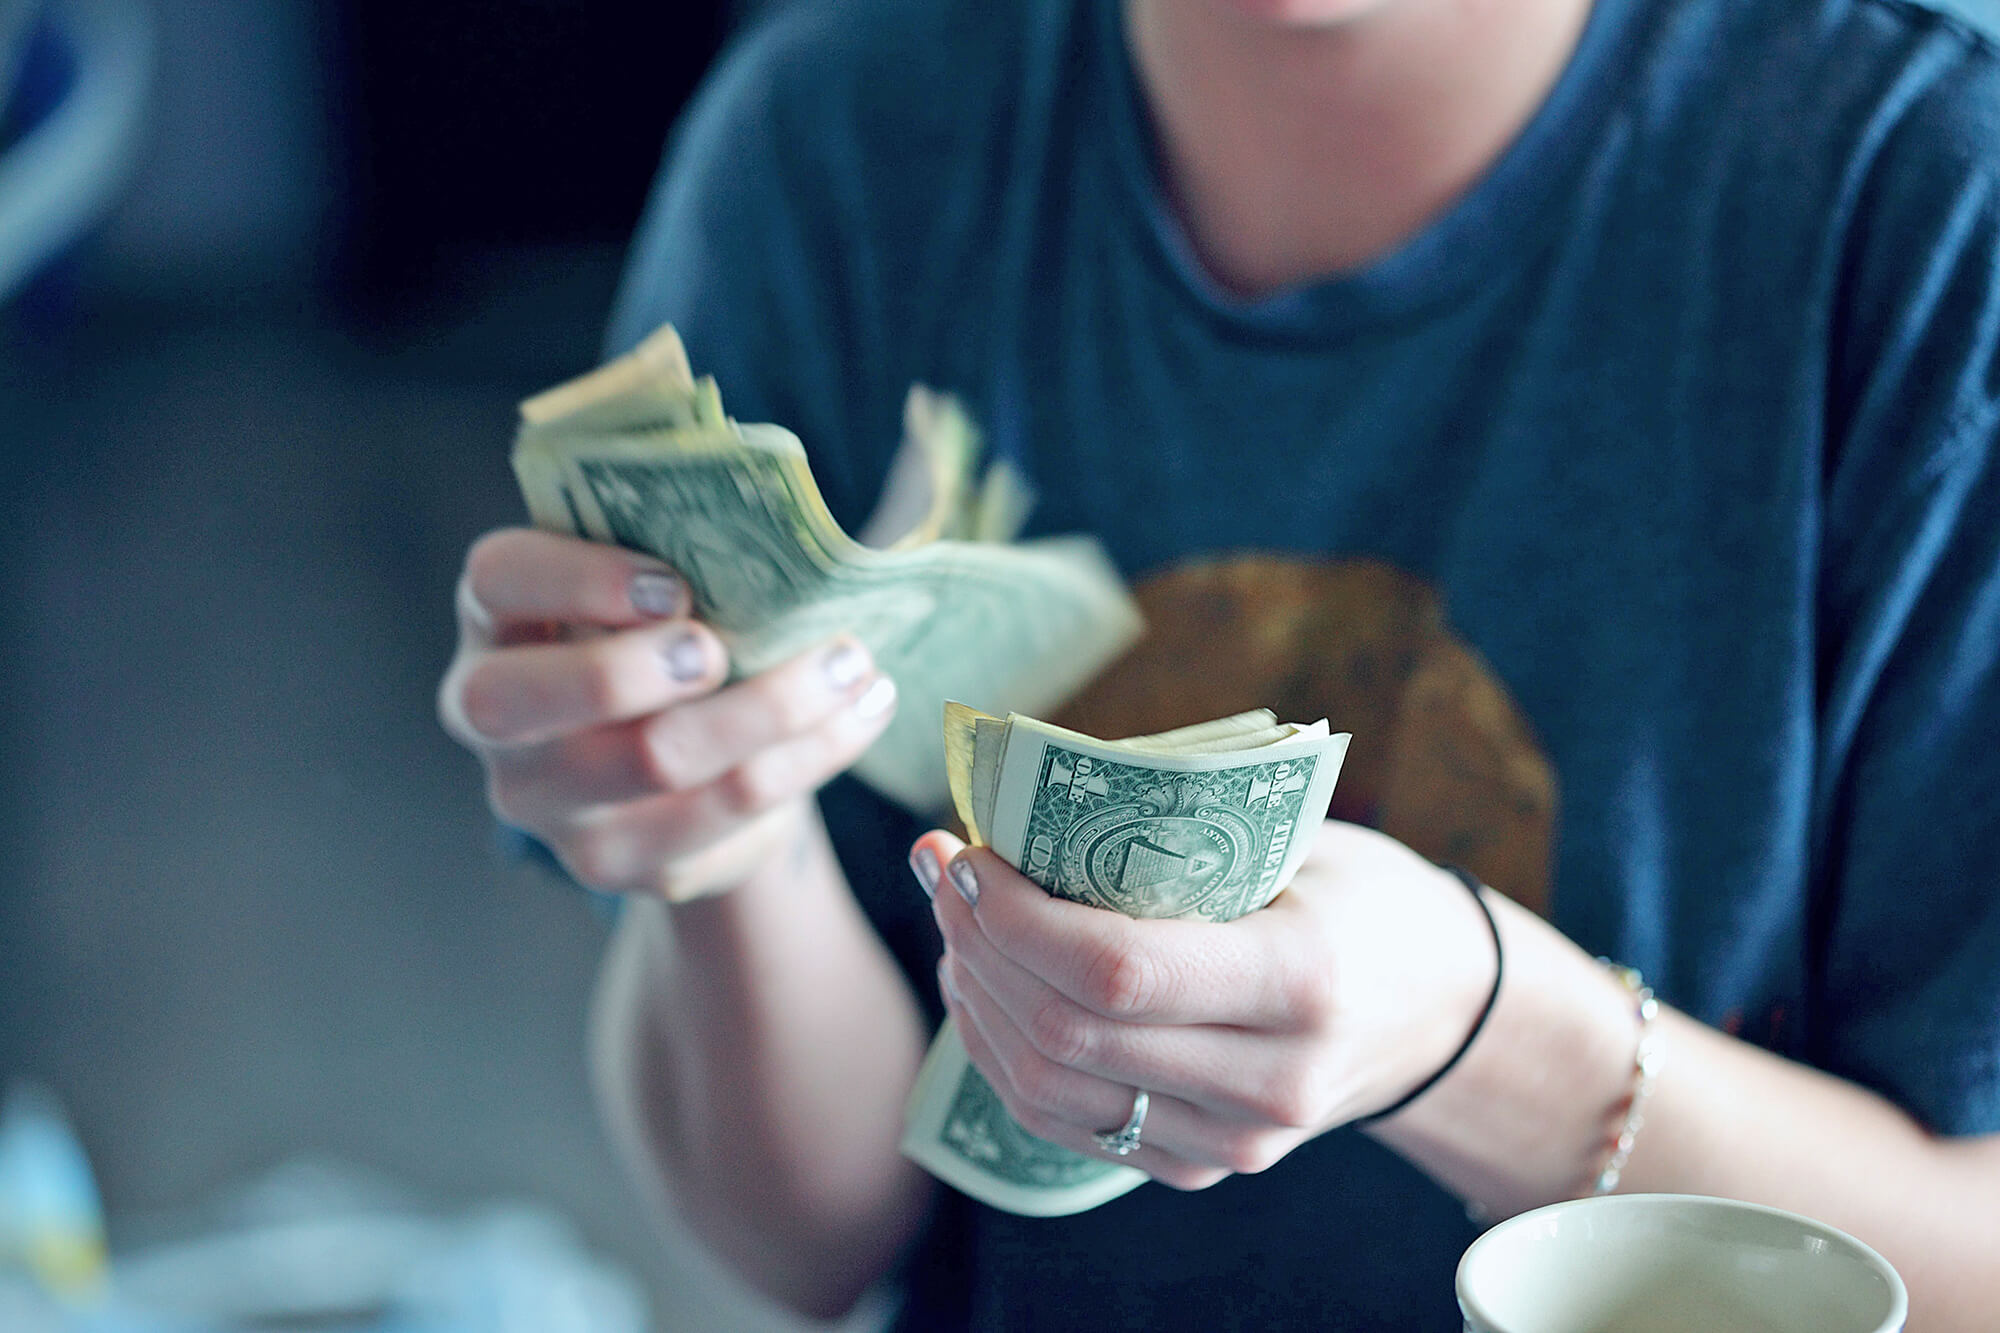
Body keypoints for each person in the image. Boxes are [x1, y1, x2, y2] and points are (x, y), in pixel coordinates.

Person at [437, 0, 2000, 1326]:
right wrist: (722, 845)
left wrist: (1489, 1036)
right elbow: (816, 1238)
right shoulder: (842, 137)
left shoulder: (1924, 203)